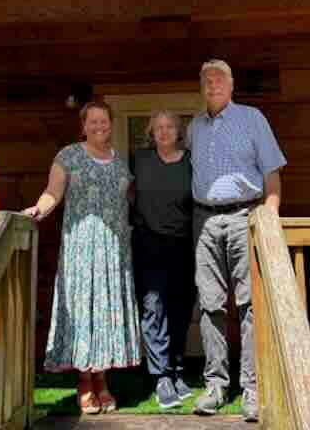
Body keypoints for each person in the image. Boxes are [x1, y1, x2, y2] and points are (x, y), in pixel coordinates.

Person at [22, 101, 141, 415]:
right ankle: (85, 381)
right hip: (81, 247)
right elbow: (53, 192)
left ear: (111, 124)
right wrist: (39, 209)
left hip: (114, 250)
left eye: (104, 121)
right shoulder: (68, 156)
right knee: (84, 308)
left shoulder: (120, 162)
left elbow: (131, 198)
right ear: (83, 125)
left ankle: (102, 380)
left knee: (106, 312)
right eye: (93, 122)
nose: (99, 126)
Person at [188, 59, 286, 422]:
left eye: (219, 80)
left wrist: (269, 215)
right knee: (210, 304)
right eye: (206, 80)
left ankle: (252, 388)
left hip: (245, 216)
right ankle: (215, 386)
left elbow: (272, 173)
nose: (212, 85)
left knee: (249, 305)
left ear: (231, 86)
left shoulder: (252, 118)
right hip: (204, 220)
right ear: (202, 88)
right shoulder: (195, 127)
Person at [131, 110, 196, 409]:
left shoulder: (191, 161)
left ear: (178, 130)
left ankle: (177, 369)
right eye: (158, 127)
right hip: (148, 244)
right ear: (151, 132)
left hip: (184, 244)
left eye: (170, 127)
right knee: (154, 308)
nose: (164, 132)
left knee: (181, 308)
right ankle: (160, 377)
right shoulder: (139, 160)